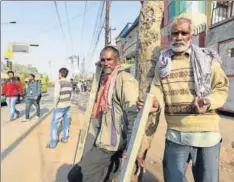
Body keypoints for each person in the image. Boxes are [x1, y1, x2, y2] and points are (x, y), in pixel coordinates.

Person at [137, 17, 229, 182]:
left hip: (207, 137)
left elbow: (221, 89)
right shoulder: (163, 64)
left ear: (190, 36)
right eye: (175, 33)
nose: (179, 37)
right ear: (170, 36)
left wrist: (207, 102)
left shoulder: (207, 60)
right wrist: (154, 104)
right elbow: (157, 90)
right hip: (176, 136)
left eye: (183, 33)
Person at [67, 46, 139, 182]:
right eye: (103, 60)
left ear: (118, 60)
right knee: (101, 176)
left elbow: (133, 114)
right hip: (103, 140)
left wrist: (130, 147)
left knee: (76, 176)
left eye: (109, 59)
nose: (105, 63)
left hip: (112, 144)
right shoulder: (106, 80)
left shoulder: (124, 79)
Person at [47, 68, 73, 148]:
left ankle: (53, 142)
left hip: (60, 106)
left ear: (60, 73)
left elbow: (56, 96)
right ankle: (65, 138)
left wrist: (55, 105)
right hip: (67, 105)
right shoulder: (69, 83)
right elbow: (71, 95)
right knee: (65, 122)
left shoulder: (58, 83)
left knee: (54, 123)